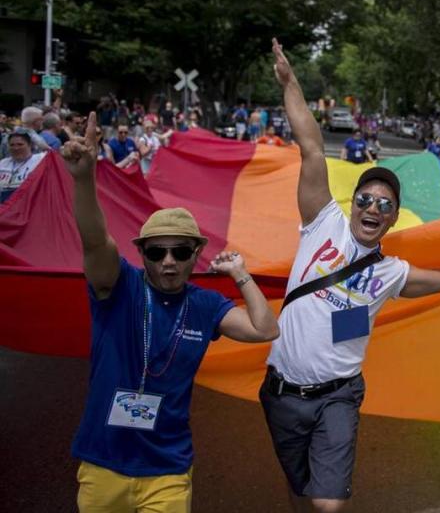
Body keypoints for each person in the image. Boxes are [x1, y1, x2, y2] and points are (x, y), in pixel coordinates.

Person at [262, 39, 440, 513]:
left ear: (393, 217)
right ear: (352, 204)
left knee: (328, 502)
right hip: (281, 389)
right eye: (366, 199)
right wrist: (290, 83)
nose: (373, 208)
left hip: (339, 394)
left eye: (385, 205)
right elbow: (311, 146)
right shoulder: (322, 224)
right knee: (296, 481)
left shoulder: (391, 272)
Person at [61, 113, 279, 513]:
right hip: (103, 464)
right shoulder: (119, 285)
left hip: (168, 470)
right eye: (156, 251)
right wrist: (82, 179)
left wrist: (242, 275)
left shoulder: (206, 304)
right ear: (141, 252)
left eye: (180, 251)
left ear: (196, 254)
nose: (168, 261)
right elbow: (95, 240)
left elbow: (265, 330)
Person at [0, 129, 47, 203]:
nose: (16, 148)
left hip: (30, 205)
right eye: (12, 145)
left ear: (30, 145)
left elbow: (55, 156)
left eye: (20, 144)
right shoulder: (3, 163)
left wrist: (43, 146)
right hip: (5, 208)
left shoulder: (40, 159)